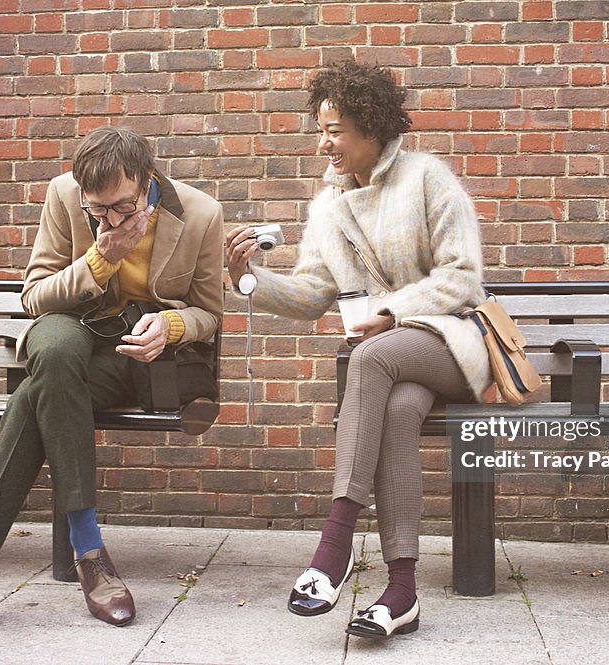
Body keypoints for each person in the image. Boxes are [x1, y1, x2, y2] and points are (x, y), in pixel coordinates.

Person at [0, 126, 224, 643]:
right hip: (68, 331)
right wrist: (101, 257)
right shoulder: (63, 195)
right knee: (56, 351)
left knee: (33, 394)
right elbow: (35, 296)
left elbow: (209, 314)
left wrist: (171, 326)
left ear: (148, 179)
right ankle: (91, 552)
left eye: (123, 208)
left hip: (130, 358)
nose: (110, 219)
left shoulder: (200, 214)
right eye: (97, 210)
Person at [226, 60, 490, 638]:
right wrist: (251, 279)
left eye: (337, 129)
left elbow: (464, 276)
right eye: (320, 128)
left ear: (371, 128)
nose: (325, 142)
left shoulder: (427, 178)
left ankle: (336, 541)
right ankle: (402, 593)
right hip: (395, 366)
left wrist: (391, 310)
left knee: (370, 356)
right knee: (396, 412)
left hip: (451, 343)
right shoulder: (327, 207)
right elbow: (314, 292)